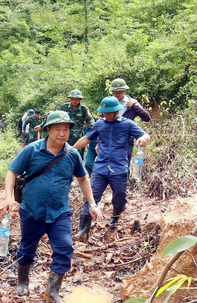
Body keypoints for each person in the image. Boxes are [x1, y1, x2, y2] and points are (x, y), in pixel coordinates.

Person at [4, 111, 103, 303]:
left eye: (65, 129)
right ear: (48, 129)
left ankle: (53, 290)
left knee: (65, 247)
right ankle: (22, 282)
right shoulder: (32, 150)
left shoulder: (72, 154)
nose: (62, 133)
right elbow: (12, 172)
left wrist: (92, 203)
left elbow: (83, 179)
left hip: (59, 213)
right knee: (27, 248)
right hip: (32, 210)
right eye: (57, 129)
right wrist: (8, 197)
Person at [73, 97, 150, 241]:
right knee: (92, 197)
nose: (107, 115)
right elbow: (86, 139)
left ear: (117, 111)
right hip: (100, 168)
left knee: (119, 198)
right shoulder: (99, 124)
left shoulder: (128, 124)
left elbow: (145, 135)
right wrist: (70, 149)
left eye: (110, 112)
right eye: (105, 113)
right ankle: (83, 232)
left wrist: (143, 140)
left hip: (119, 168)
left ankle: (115, 216)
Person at [110, 78, 151, 165]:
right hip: (110, 138)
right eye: (116, 92)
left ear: (125, 90)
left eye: (120, 91)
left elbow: (147, 118)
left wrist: (136, 106)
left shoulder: (132, 102)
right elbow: (103, 121)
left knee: (124, 164)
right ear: (112, 92)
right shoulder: (109, 102)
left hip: (126, 139)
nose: (118, 94)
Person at [59, 89, 94, 158]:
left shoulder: (83, 109)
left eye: (77, 99)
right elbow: (54, 117)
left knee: (77, 158)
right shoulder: (64, 107)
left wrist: (96, 129)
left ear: (80, 99)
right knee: (64, 157)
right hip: (65, 137)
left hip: (78, 139)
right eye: (73, 99)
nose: (74, 101)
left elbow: (90, 120)